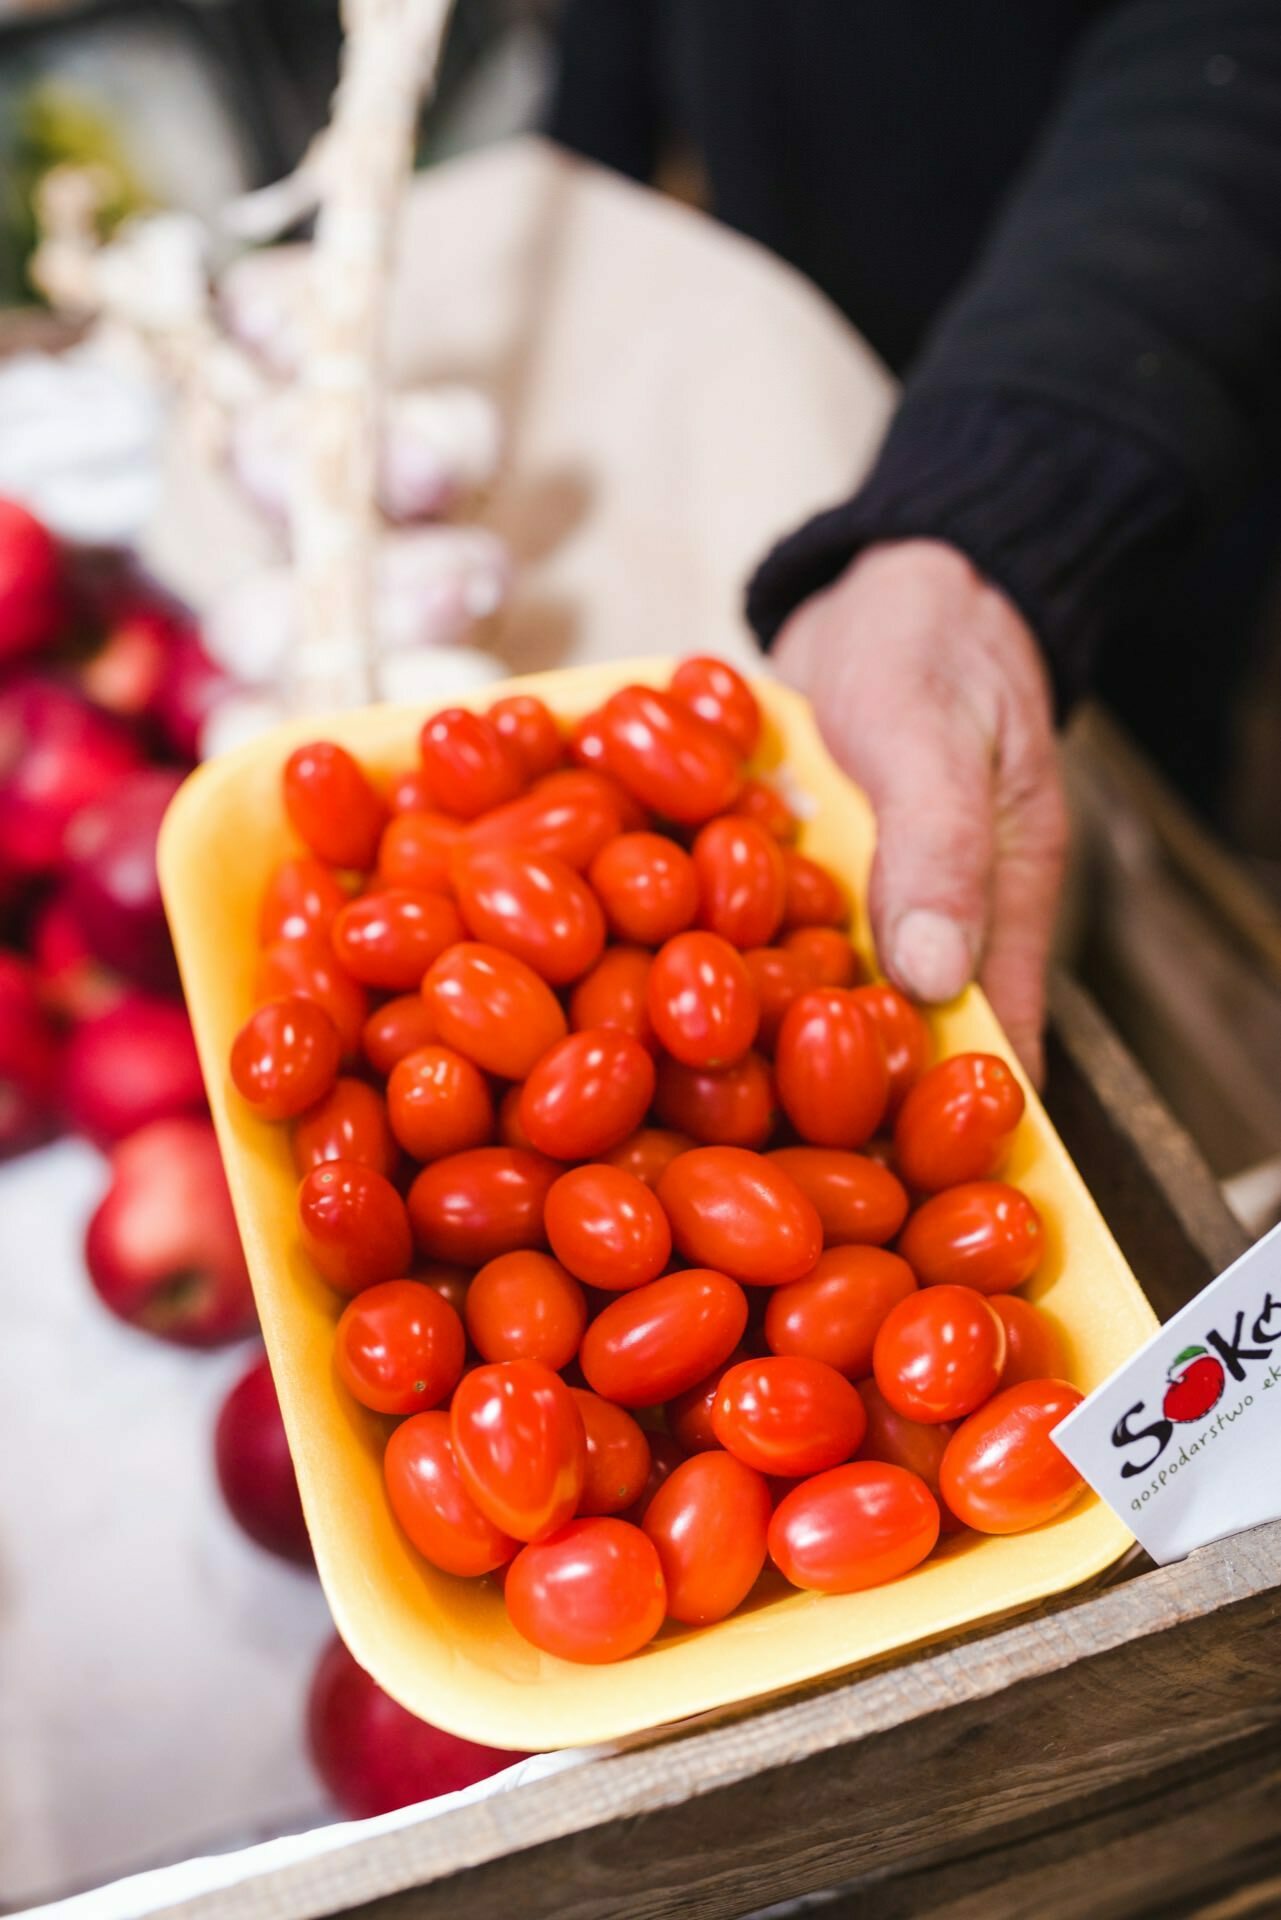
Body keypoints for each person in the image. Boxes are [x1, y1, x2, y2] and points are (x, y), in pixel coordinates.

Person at [549, 1, 1281, 1080]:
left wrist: (1001, 493)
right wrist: (573, 173)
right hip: (808, 292)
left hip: (1127, 374)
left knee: (1106, 773)